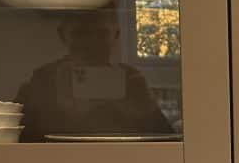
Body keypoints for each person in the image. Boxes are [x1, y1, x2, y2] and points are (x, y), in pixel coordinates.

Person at [12, 10, 173, 141]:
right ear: (63, 34)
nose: (91, 43)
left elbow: (172, 151)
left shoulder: (130, 81)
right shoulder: (43, 80)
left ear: (115, 35)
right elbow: (16, 145)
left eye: (101, 33)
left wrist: (148, 112)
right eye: (81, 33)